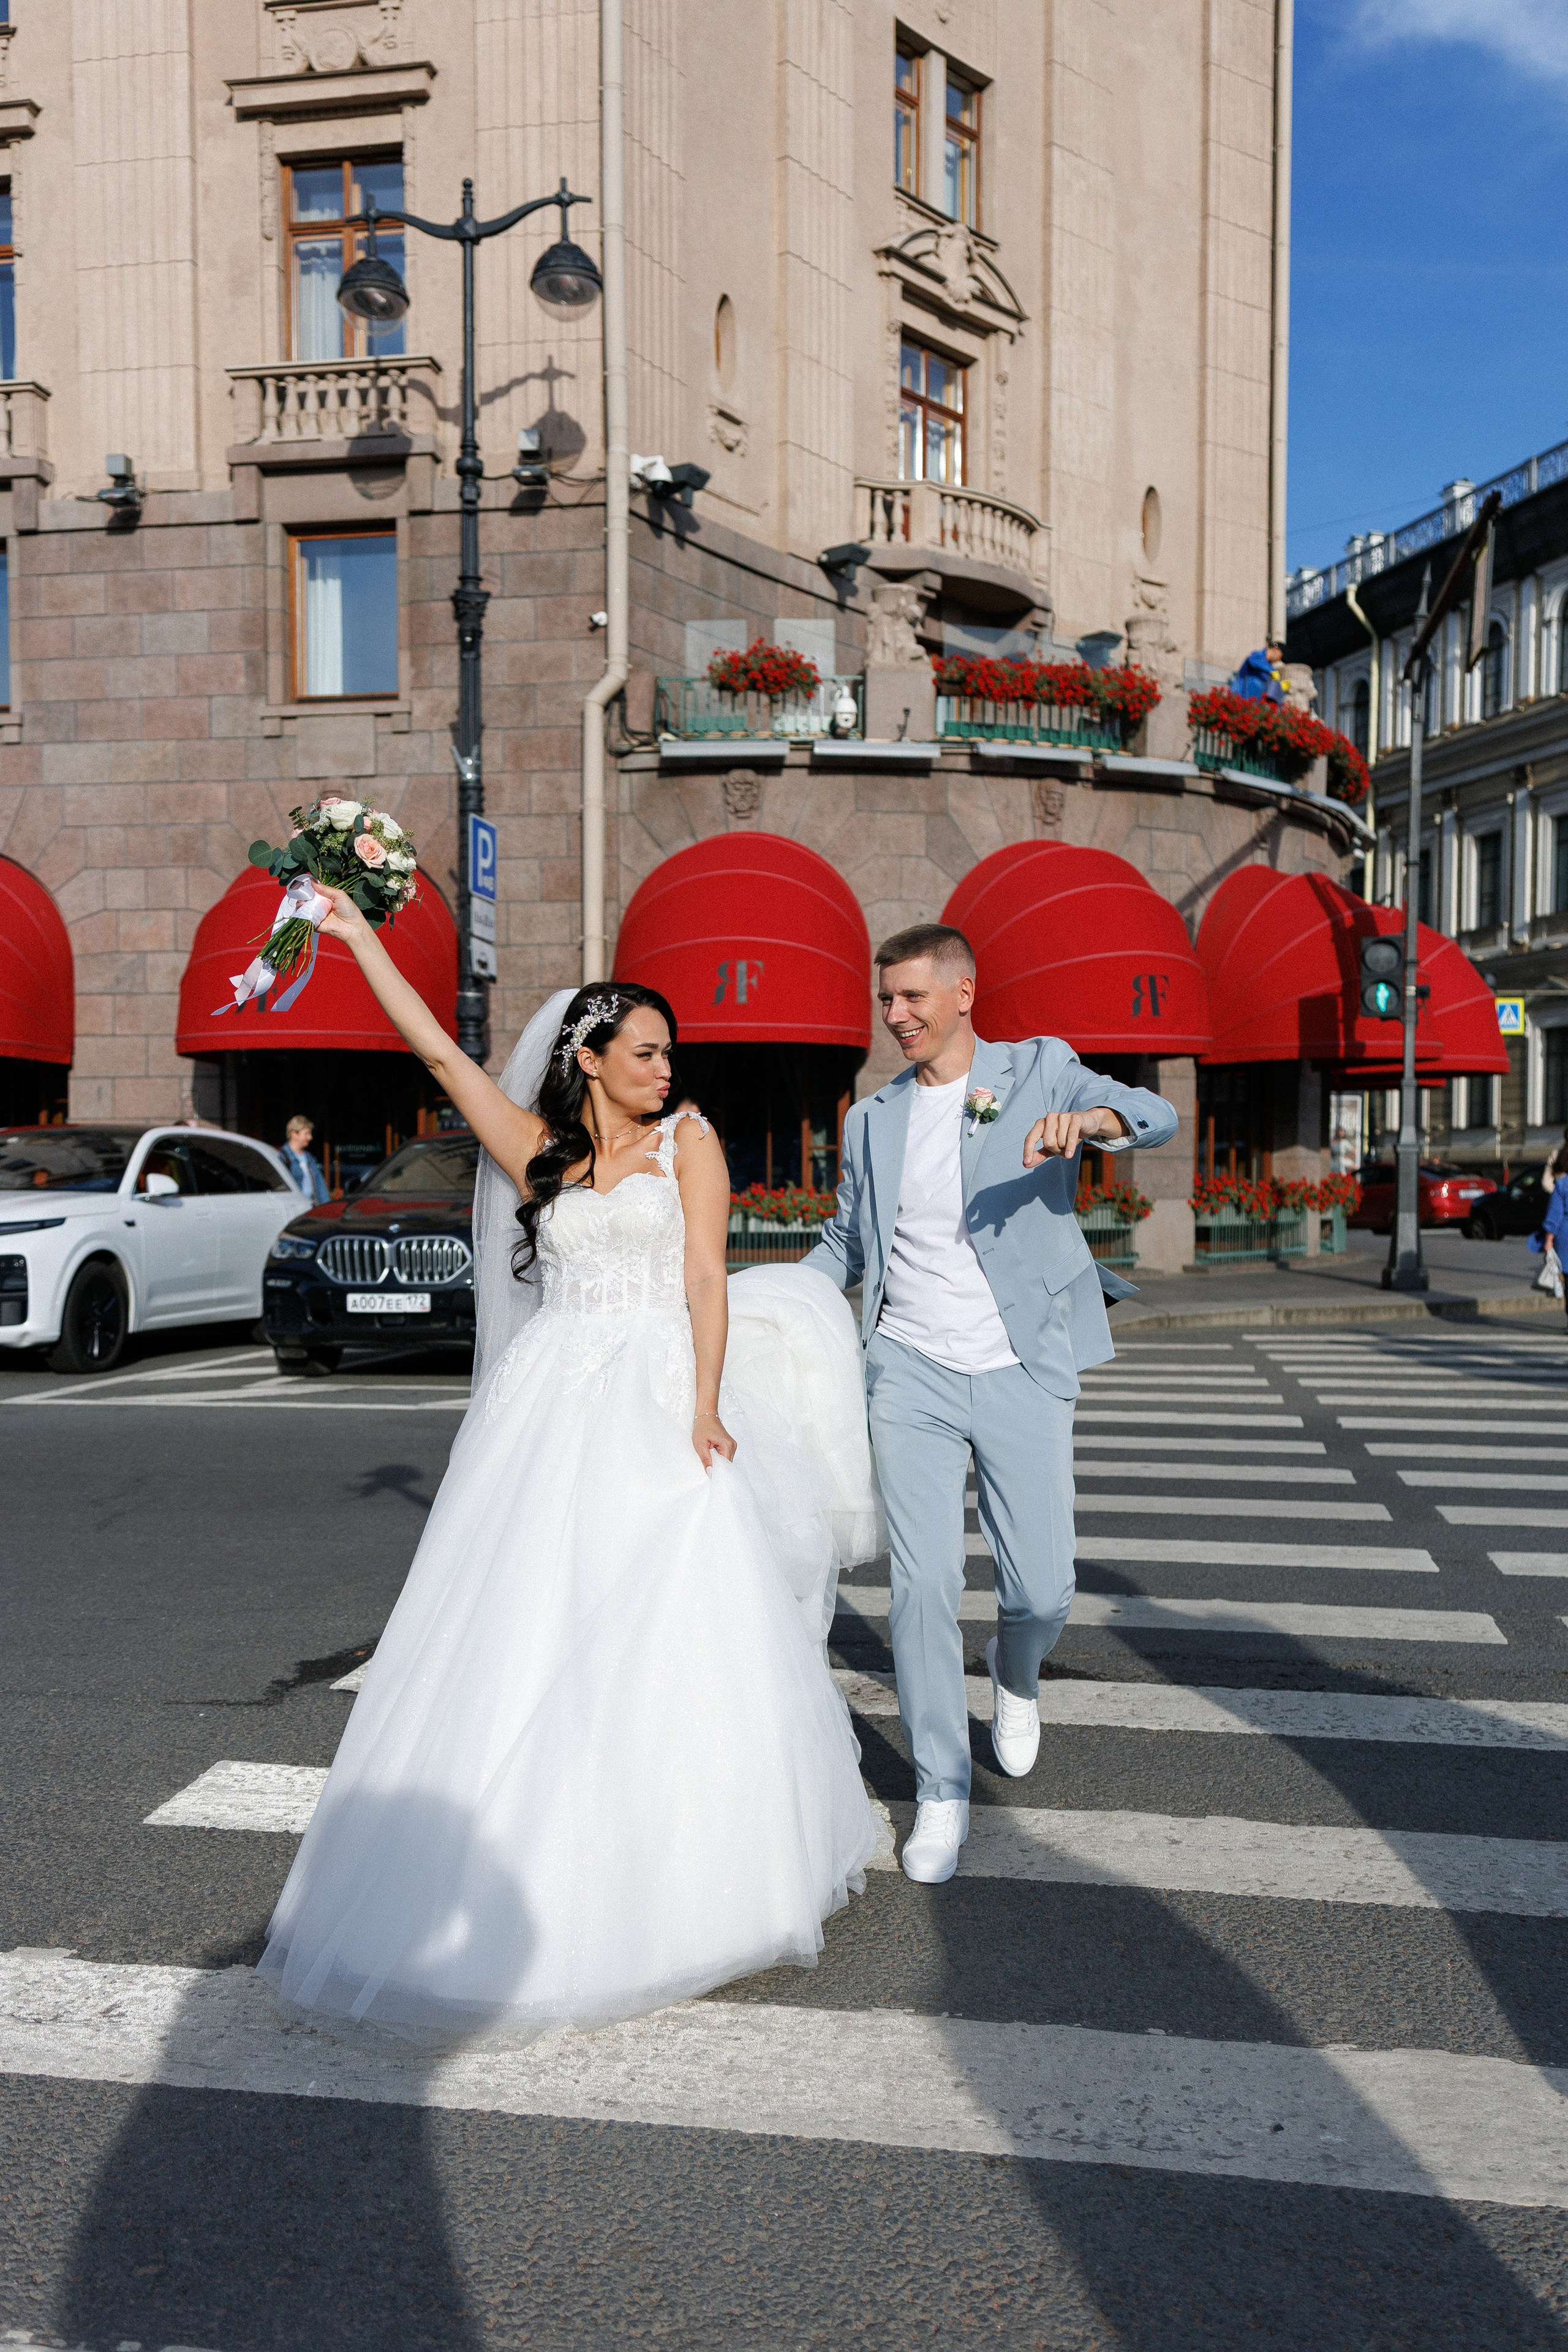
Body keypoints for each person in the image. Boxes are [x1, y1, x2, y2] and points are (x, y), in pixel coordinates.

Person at [257, 888, 881, 2042]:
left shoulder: (689, 1142)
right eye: (645, 1053)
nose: (665, 1068)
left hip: (657, 1394)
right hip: (549, 1408)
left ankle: (701, 1880)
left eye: (669, 1053)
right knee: (529, 1621)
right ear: (588, 1060)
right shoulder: (538, 1152)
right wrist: (356, 940)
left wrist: (702, 1404)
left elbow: (705, 1275)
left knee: (679, 1625)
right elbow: (442, 1055)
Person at [804, 924, 1178, 1885]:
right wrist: (769, 1306)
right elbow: (847, 1244)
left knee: (1043, 1587)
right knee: (923, 1588)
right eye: (886, 1001)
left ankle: (1016, 1674)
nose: (896, 1018)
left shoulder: (1040, 1069)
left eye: (913, 998)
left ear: (965, 993)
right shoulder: (871, 1119)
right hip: (909, 1368)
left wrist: (1090, 1126)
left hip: (1020, 1359)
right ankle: (941, 1788)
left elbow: (1154, 1113)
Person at [280, 1115, 329, 1204]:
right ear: (294, 1134)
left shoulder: (310, 1158)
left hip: (310, 1206)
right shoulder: (283, 1158)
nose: (310, 1138)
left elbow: (320, 1185)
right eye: (307, 1134)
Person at [1229, 639, 1287, 703]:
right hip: (1240, 699)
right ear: (1276, 650)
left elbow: (1269, 691)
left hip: (1253, 704)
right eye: (1280, 657)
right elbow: (1252, 660)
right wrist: (1271, 671)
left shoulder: (1269, 667)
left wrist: (1280, 688)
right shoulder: (1258, 655)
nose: (1279, 660)